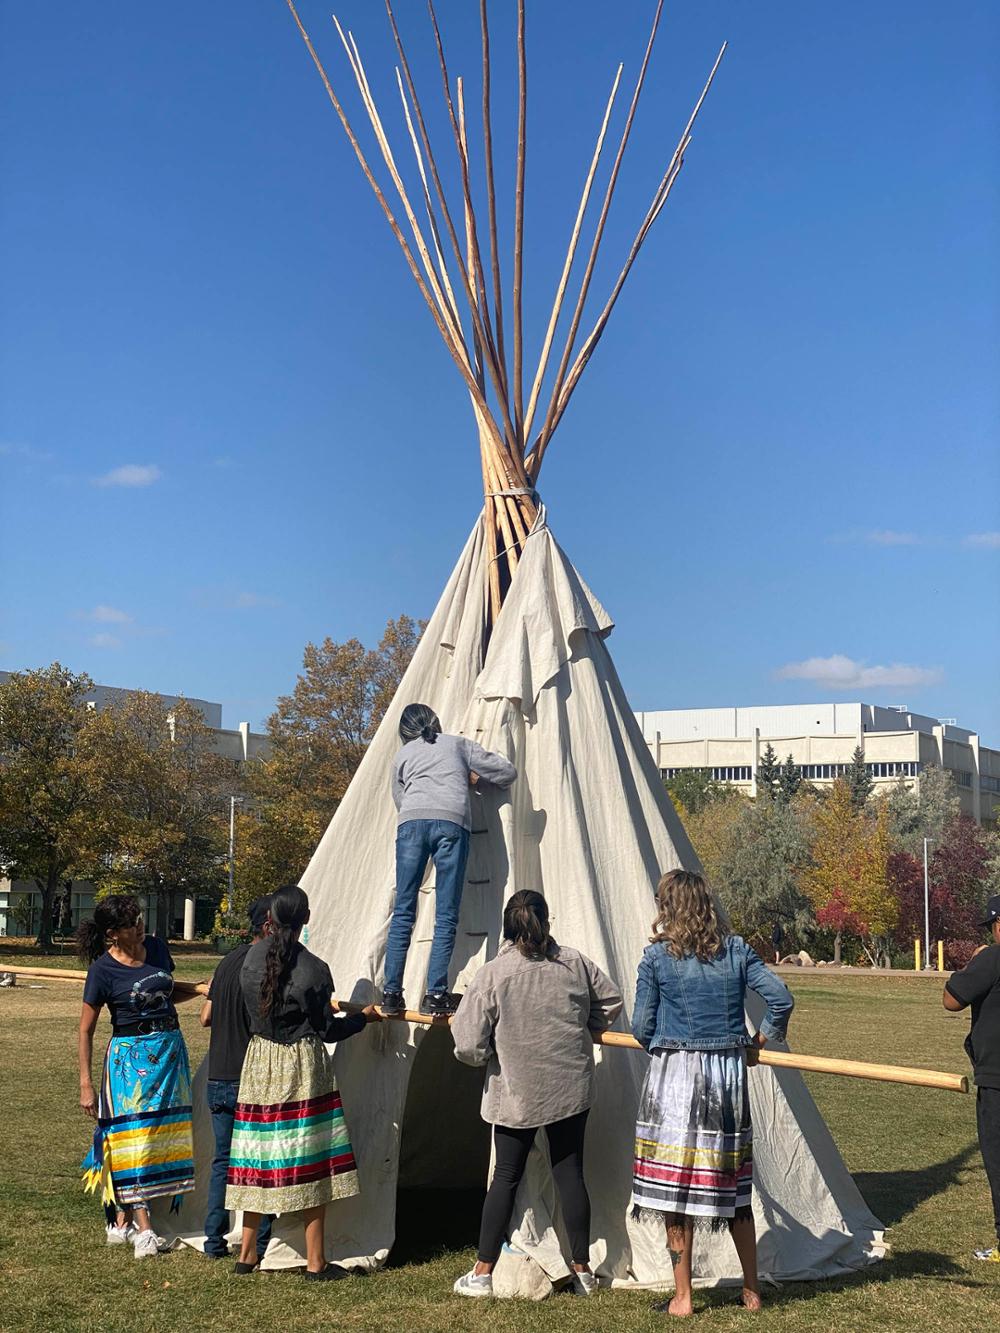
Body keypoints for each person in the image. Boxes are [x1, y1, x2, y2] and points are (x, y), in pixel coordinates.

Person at [630, 869, 794, 1317]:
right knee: (734, 1187)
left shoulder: (657, 958)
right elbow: (780, 998)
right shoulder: (737, 950)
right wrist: (759, 1042)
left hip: (675, 1083)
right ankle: (751, 1290)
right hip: (726, 1081)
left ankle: (683, 1299)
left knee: (674, 1190)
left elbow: (641, 1026)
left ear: (668, 906)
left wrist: (667, 1047)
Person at [450, 889, 622, 1297]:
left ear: (508, 927)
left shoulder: (493, 973)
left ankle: (482, 1273)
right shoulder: (573, 963)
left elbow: (468, 1044)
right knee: (570, 1173)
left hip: (517, 1092)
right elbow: (611, 1000)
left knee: (506, 1176)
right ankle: (582, 1272)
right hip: (570, 1086)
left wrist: (495, 1050)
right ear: (546, 922)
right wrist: (584, 1025)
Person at [225, 883, 380, 1278]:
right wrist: (365, 1018)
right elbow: (328, 1030)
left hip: (260, 1060)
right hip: (300, 1064)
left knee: (256, 1155)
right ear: (306, 918)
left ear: (270, 920)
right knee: (312, 1157)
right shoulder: (314, 969)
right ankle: (315, 1261)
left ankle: (246, 1254)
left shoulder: (250, 961)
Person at [77, 894, 201, 1260]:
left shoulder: (158, 949)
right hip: (129, 1062)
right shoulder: (102, 971)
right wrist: (86, 1084)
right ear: (113, 933)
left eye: (140, 918)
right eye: (132, 923)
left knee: (163, 1135)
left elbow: (161, 991)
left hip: (169, 1053)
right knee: (134, 1138)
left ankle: (121, 1220)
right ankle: (145, 1230)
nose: (140, 926)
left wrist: (196, 990)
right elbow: (85, 1029)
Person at [384, 703, 517, 1018]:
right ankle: (436, 993)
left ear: (404, 732)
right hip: (451, 822)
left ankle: (391, 993)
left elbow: (400, 798)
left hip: (411, 825)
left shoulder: (401, 757)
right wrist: (475, 782)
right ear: (436, 722)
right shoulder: (458, 744)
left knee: (403, 911)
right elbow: (506, 773)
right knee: (445, 914)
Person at [199, 894, 274, 1262]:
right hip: (249, 1076)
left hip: (218, 1076)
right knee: (259, 1163)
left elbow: (204, 1017)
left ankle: (214, 1241)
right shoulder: (263, 966)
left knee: (223, 1161)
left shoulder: (227, 961)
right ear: (267, 926)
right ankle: (258, 1243)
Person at [943, 893, 1000, 1264]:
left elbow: (951, 999)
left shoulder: (994, 958)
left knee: (998, 1159)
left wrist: (973, 962)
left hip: (997, 1078)